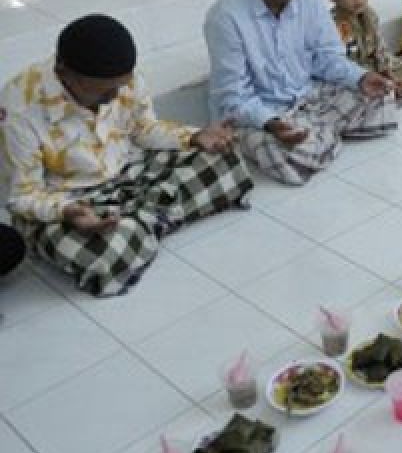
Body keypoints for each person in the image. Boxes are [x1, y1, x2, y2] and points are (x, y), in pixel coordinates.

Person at [1, 15, 253, 296]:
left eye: (120, 86)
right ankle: (151, 217)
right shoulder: (19, 109)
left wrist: (194, 136)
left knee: (224, 160)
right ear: (65, 72)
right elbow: (22, 196)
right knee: (102, 255)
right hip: (72, 200)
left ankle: (137, 226)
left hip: (129, 171)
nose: (113, 97)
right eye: (104, 91)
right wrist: (67, 212)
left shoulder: (122, 79)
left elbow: (143, 129)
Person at [204, 0, 396, 187]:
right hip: (260, 112)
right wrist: (270, 122)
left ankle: (318, 134)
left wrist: (360, 77)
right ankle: (322, 132)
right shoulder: (225, 17)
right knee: (281, 152)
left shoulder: (308, 1)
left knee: (382, 98)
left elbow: (327, 57)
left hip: (307, 93)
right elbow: (233, 94)